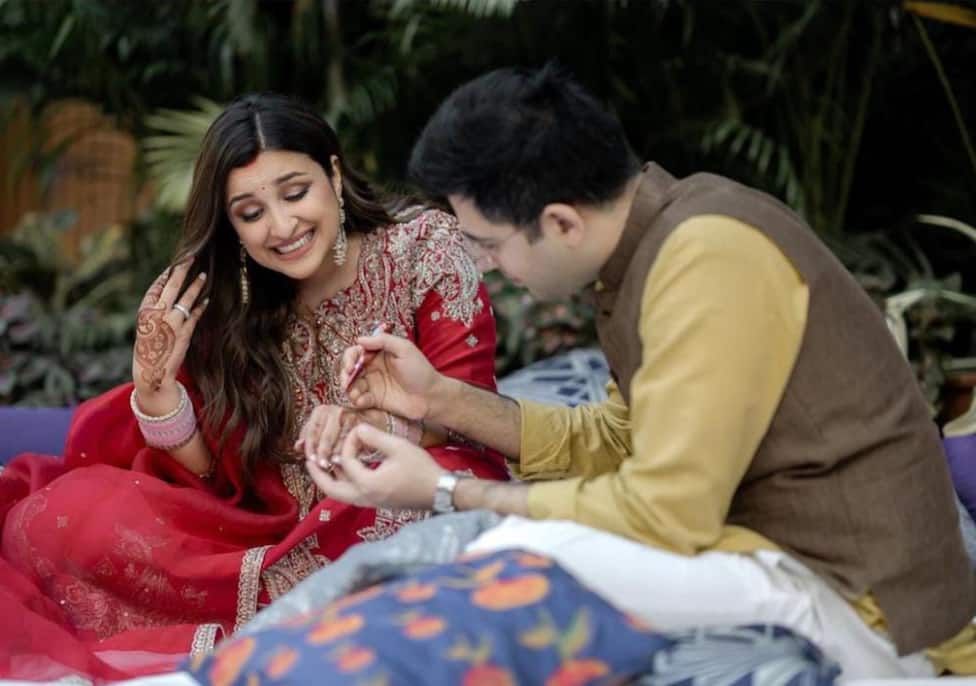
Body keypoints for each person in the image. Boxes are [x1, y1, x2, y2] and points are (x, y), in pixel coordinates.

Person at [305, 66, 976, 677]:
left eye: (487, 245)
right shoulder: (661, 244)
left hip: (869, 609)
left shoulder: (707, 258)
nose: (484, 266)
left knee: (506, 563)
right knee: (492, 551)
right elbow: (619, 440)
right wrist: (441, 399)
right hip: (786, 557)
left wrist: (448, 490)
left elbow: (667, 510)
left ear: (560, 222)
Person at [0, 93, 507, 681]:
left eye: (295, 193)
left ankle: (292, 611)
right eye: (250, 212)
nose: (282, 227)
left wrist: (375, 427)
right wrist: (157, 391)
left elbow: (470, 415)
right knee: (54, 519)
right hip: (265, 528)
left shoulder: (423, 249)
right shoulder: (238, 301)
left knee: (405, 511)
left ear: (333, 175)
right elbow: (217, 476)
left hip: (398, 486)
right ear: (232, 225)